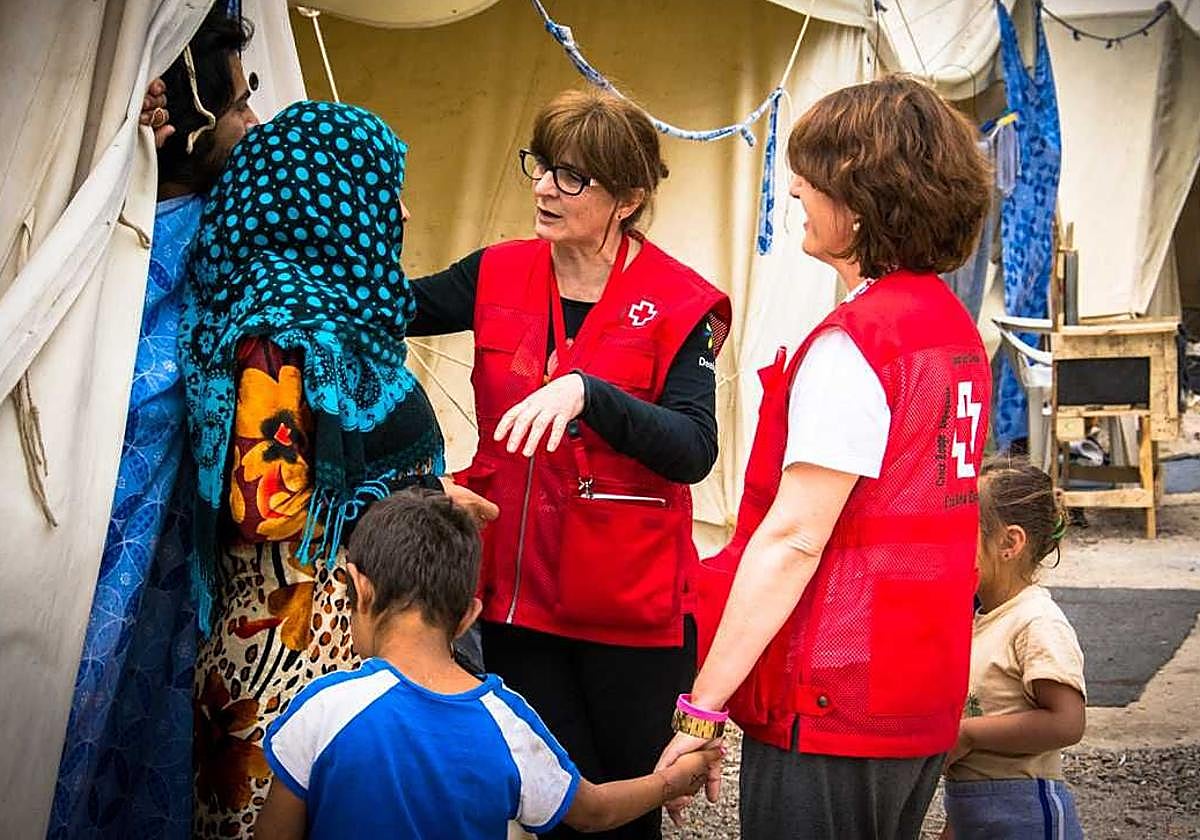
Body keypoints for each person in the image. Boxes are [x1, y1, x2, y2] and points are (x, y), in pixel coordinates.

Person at [657, 75, 994, 839]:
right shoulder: (950, 326)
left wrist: (703, 710)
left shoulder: (858, 344)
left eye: (812, 179)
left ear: (863, 200)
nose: (797, 191)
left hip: (835, 692)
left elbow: (794, 539)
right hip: (917, 685)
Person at [410, 87, 731, 840]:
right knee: (547, 804)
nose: (545, 187)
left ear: (629, 199)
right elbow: (387, 305)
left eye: (572, 177)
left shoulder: (677, 301)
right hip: (522, 597)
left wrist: (590, 393)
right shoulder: (498, 271)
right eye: (543, 166)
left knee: (623, 810)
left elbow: (693, 448)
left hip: (629, 607)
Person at [179, 100, 494, 839]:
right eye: (385, 190)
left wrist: (428, 496)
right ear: (326, 198)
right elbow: (264, 504)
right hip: (283, 660)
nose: (405, 212)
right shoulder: (277, 331)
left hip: (339, 638)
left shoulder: (334, 320)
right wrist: (417, 496)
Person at [48, 10, 259, 838]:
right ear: (188, 116)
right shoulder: (91, 226)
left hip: (155, 575)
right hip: (88, 542)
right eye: (239, 105)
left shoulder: (227, 231)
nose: (251, 123)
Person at [254, 490, 721, 839]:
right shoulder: (509, 722)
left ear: (360, 588)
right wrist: (671, 781)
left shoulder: (322, 709)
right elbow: (594, 811)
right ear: (468, 618)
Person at [941, 458, 1086, 839]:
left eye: (962, 529)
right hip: (973, 810)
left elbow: (1067, 722)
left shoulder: (1036, 621)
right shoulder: (975, 619)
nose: (948, 540)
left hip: (1028, 815)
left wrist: (969, 734)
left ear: (1010, 542)